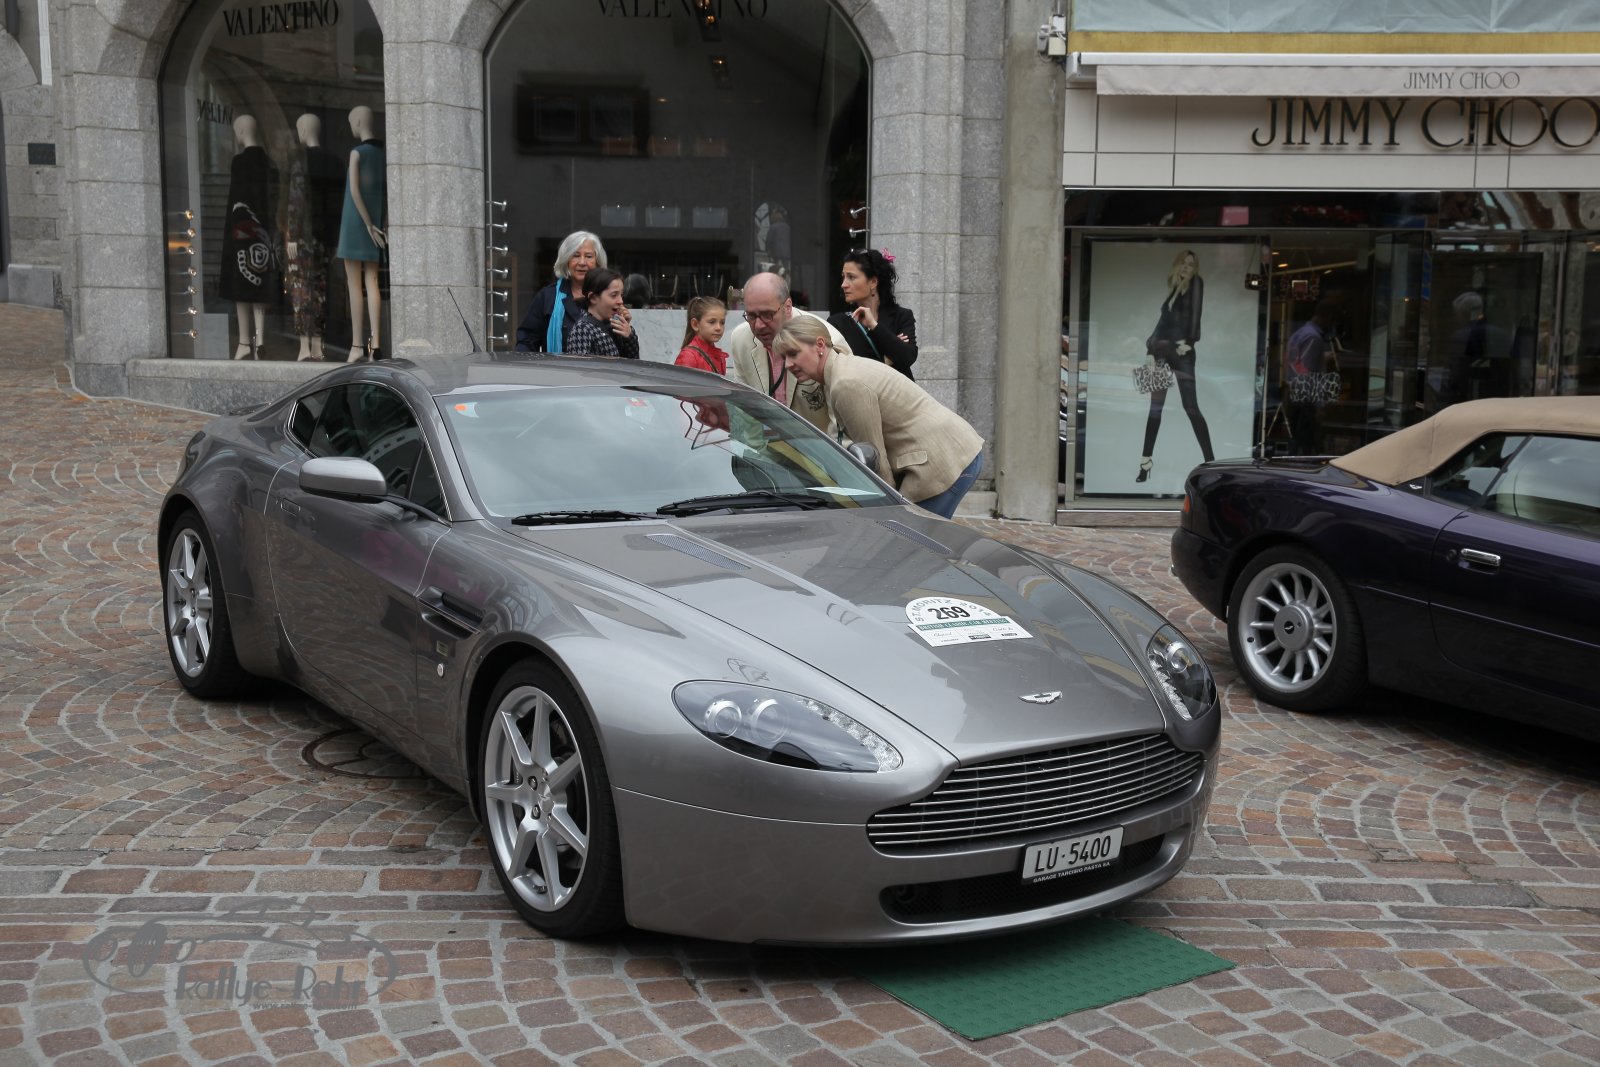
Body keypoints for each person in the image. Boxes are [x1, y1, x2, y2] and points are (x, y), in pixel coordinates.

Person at [774, 316, 983, 518]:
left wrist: (886, 515)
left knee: (905, 535)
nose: (788, 365)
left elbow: (874, 462)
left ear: (820, 345)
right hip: (952, 450)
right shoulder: (843, 369)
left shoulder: (845, 384)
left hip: (944, 459)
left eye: (793, 353)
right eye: (784, 357)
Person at [724, 272, 842, 434]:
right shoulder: (740, 339)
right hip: (772, 446)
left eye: (767, 315)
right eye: (751, 315)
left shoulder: (828, 340)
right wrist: (753, 449)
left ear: (787, 307)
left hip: (823, 448)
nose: (758, 325)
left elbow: (841, 427)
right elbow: (747, 411)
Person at [1136, 249, 1214, 482]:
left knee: (1191, 407)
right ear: (1177, 265)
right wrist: (1150, 350)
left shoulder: (1196, 283)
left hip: (1181, 352)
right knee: (1155, 410)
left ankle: (1211, 464)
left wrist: (1190, 342)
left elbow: (1196, 314)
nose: (1186, 267)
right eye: (1183, 263)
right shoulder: (1174, 290)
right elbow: (1162, 324)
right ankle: (1145, 463)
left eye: (1190, 264)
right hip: (1161, 352)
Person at [281, 113, 342, 362]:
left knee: (301, 289)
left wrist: (292, 235)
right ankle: (318, 346)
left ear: (304, 130)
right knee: (319, 290)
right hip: (325, 237)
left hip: (304, 237)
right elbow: (336, 205)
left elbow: (296, 200)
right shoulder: (334, 162)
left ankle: (304, 347)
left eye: (299, 129)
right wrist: (335, 239)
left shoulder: (301, 162)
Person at [218, 114, 277, 360]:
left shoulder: (239, 162)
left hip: (241, 232)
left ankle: (244, 341)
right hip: (262, 233)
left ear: (242, 131)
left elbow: (236, 200)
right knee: (259, 285)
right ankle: (260, 340)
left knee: (240, 288)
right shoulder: (269, 163)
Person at [336, 105, 386, 362]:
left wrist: (367, 223)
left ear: (357, 122)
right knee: (372, 281)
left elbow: (354, 191)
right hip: (375, 223)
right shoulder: (383, 155)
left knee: (354, 284)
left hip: (356, 223)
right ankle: (375, 345)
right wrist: (380, 223)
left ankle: (357, 345)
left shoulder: (357, 153)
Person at [827, 248, 918, 378]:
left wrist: (874, 326)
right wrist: (886, 359)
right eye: (843, 277)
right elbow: (841, 368)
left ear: (873, 282)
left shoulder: (901, 316)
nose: (843, 284)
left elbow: (907, 357)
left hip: (898, 390)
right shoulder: (837, 323)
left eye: (851, 277)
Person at [515, 231, 606, 352]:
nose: (582, 262)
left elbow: (619, 344)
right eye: (575, 255)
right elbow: (527, 341)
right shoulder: (548, 296)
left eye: (588, 256)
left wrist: (627, 332)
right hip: (557, 364)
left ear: (597, 262)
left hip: (598, 364)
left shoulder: (607, 295)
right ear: (566, 260)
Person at [1284, 297, 1340, 454]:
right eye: (1333, 319)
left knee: (1296, 442)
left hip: (1294, 393)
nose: (1332, 324)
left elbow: (1296, 363)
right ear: (1327, 316)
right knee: (1306, 446)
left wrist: (1321, 357)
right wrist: (1319, 406)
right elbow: (1308, 374)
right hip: (1305, 399)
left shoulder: (1299, 333)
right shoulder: (1314, 337)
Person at [564, 267, 640, 359]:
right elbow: (579, 366)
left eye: (621, 295)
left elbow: (634, 362)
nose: (620, 301)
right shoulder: (582, 329)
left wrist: (629, 335)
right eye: (614, 295)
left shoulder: (614, 324)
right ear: (593, 298)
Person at [675, 296, 729, 374]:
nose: (718, 328)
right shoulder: (689, 356)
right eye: (712, 322)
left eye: (722, 322)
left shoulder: (718, 355)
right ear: (695, 324)